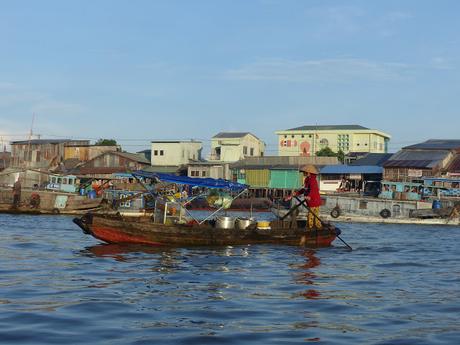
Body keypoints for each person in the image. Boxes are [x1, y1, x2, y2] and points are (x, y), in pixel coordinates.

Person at [285, 165, 322, 230]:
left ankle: (313, 228)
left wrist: (309, 196)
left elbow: (313, 189)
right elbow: (304, 189)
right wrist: (295, 194)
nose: (303, 173)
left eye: (305, 172)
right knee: (311, 215)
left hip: (314, 201)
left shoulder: (313, 180)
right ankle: (311, 227)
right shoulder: (307, 179)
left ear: (308, 173)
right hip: (310, 201)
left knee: (313, 216)